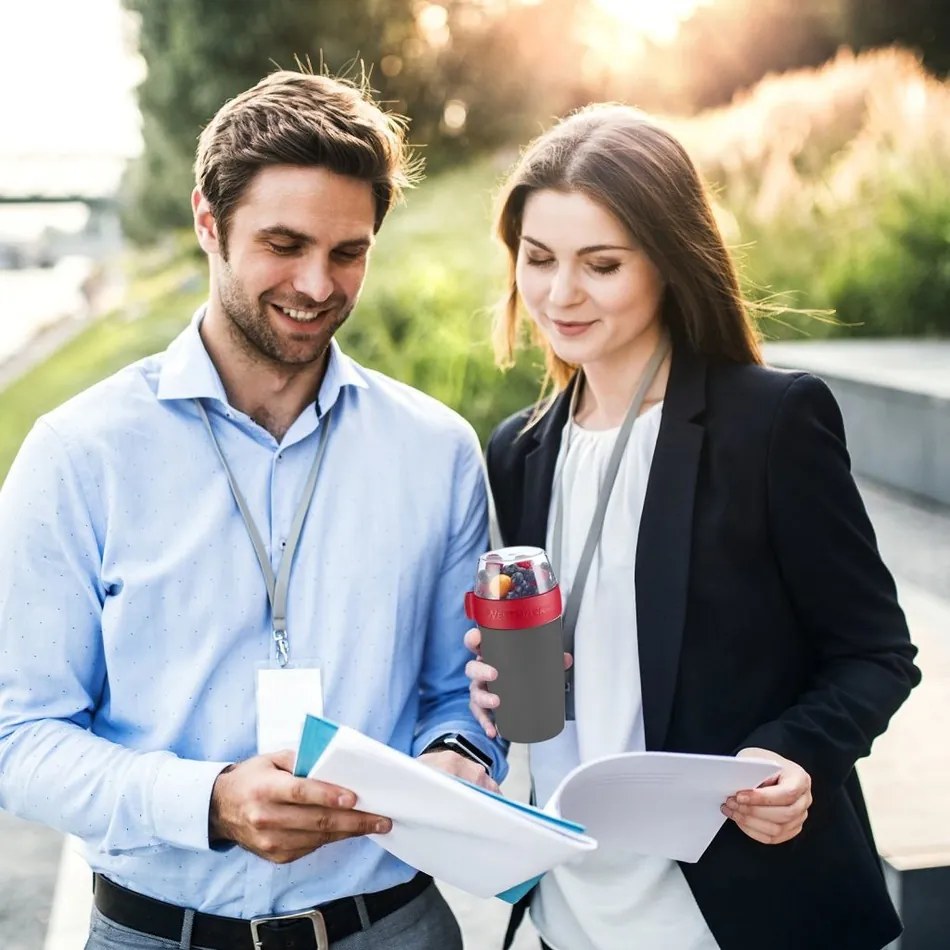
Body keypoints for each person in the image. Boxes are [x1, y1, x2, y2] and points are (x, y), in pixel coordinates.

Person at [0, 69, 507, 950]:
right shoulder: (79, 454)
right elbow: (18, 736)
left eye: (348, 252)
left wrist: (457, 758)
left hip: (394, 928)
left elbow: (455, 697)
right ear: (208, 220)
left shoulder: (438, 450)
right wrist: (207, 801)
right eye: (284, 243)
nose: (317, 284)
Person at [464, 104, 921, 950]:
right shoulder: (519, 450)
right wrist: (493, 686)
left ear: (670, 262)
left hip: (742, 913)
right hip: (571, 911)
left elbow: (876, 652)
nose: (560, 294)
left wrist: (791, 754)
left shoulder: (772, 423)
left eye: (601, 264)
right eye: (539, 258)